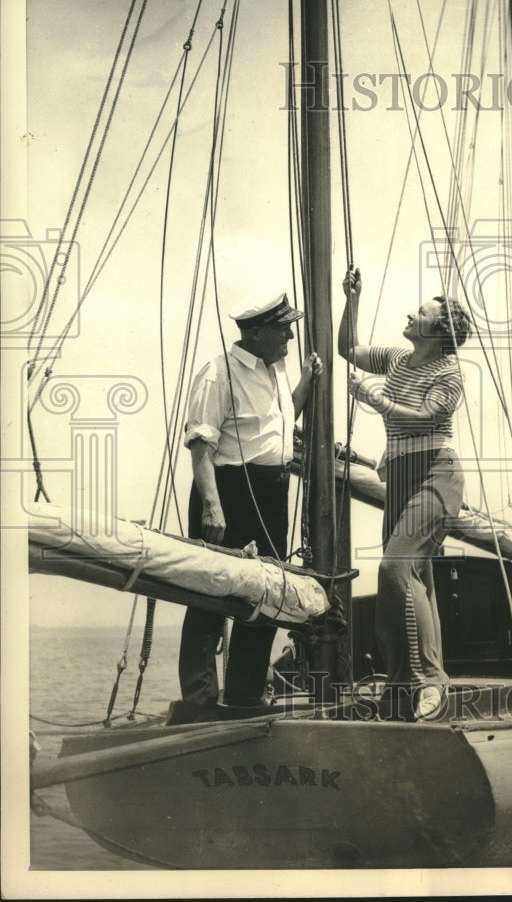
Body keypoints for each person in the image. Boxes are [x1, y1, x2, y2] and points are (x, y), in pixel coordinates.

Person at [168, 290, 322, 724]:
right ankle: (199, 702)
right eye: (283, 328)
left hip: (271, 493)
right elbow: (201, 446)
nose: (291, 335)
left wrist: (307, 383)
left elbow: (279, 418)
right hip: (230, 491)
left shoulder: (274, 370)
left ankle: (244, 695)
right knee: (210, 591)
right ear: (255, 333)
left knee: (267, 593)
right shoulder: (219, 374)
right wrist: (213, 508)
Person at [338, 267, 471, 721]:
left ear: (439, 332)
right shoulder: (397, 358)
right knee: (411, 578)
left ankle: (428, 683)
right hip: (398, 473)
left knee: (396, 567)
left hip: (436, 473)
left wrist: (375, 401)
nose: (411, 315)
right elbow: (346, 350)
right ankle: (400, 686)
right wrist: (352, 301)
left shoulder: (449, 373)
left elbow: (423, 418)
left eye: (421, 313)